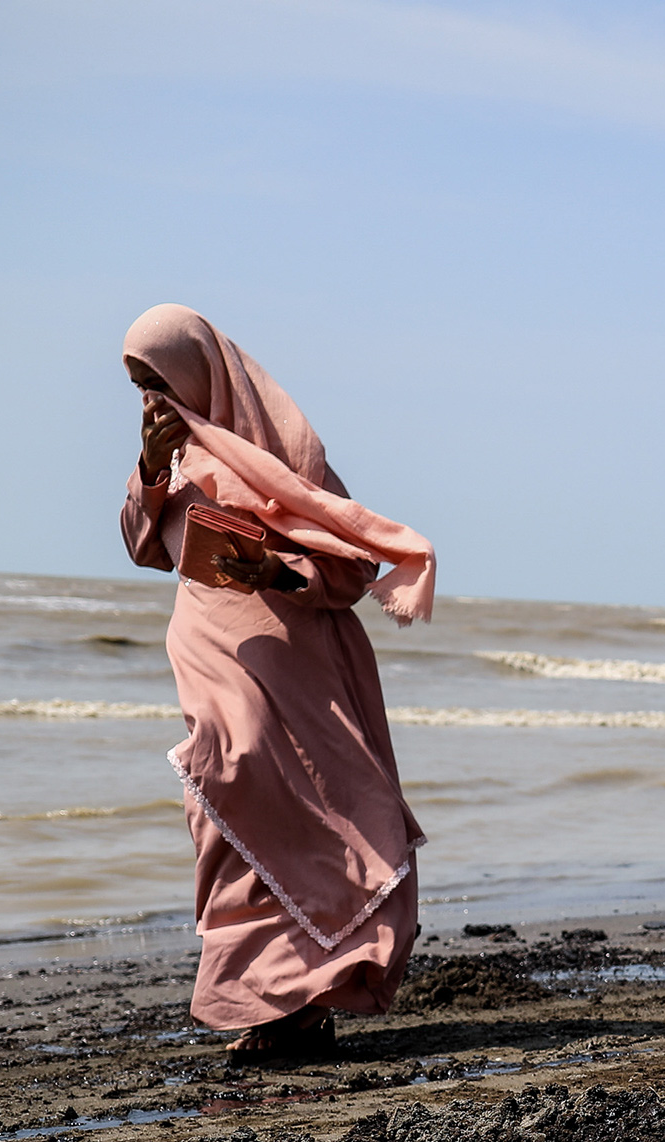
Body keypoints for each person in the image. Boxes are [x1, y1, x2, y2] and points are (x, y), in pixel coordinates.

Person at [118, 306, 438, 1063]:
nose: (148, 402)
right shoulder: (167, 459)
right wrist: (149, 471)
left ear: (197, 372)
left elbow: (351, 566)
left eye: (156, 383)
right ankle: (268, 1000)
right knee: (222, 796)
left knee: (302, 810)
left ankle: (301, 1007)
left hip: (294, 661)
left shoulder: (286, 454)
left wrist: (275, 569)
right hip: (210, 656)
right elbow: (142, 545)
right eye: (135, 388)